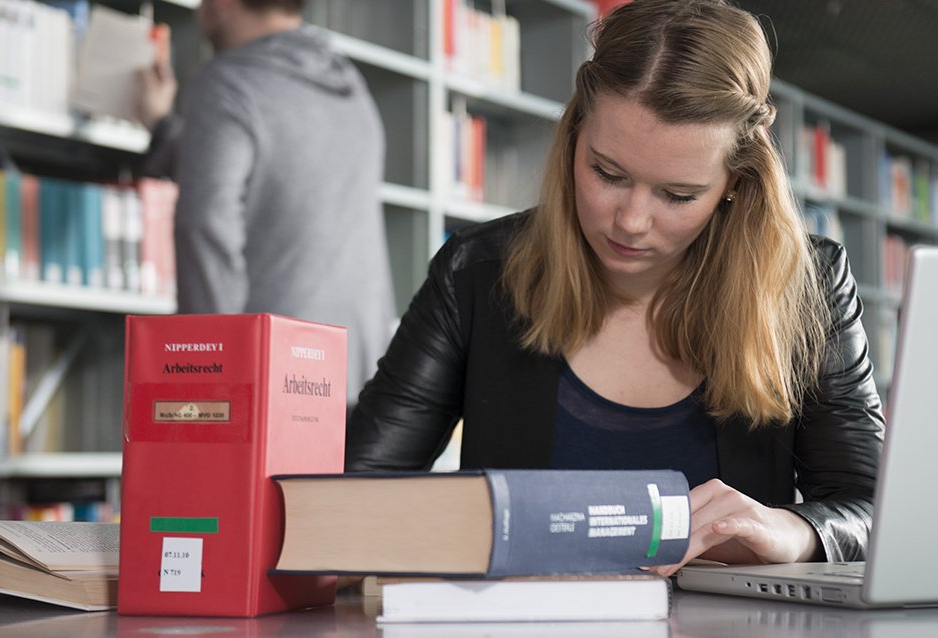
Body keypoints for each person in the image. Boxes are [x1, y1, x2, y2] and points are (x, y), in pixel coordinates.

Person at [346, 0, 884, 573]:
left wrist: (793, 530)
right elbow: (353, 495)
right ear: (574, 132)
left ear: (735, 181)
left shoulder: (807, 286)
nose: (630, 221)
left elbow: (875, 513)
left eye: (677, 195)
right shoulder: (476, 272)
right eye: (607, 173)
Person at [138, 0, 395, 402]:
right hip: (361, 373)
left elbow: (205, 223)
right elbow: (271, 182)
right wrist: (162, 126)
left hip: (274, 381)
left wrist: (208, 379)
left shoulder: (227, 82)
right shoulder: (350, 86)